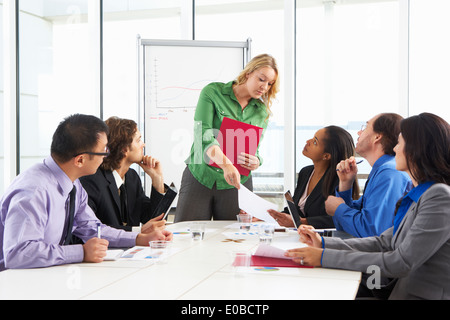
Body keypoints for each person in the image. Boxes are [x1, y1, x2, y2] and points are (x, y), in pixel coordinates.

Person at [286, 113, 450, 300]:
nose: (395, 149)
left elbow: (401, 260)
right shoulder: (420, 195)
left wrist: (323, 256)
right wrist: (323, 244)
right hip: (396, 290)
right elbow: (383, 241)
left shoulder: (439, 197)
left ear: (416, 149)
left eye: (400, 143)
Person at [0, 114, 172, 271]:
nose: (107, 155)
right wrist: (81, 252)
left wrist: (138, 239)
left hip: (44, 275)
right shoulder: (34, 191)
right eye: (104, 151)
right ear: (80, 160)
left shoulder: (73, 184)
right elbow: (18, 254)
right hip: (14, 283)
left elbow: (92, 228)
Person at [174, 54, 280, 222]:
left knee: (234, 241)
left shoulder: (261, 112)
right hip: (200, 175)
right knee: (187, 235)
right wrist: (226, 165)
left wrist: (257, 161)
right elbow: (204, 135)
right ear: (248, 73)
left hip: (237, 183)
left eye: (270, 84)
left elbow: (256, 150)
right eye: (261, 79)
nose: (264, 87)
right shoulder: (213, 92)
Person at [324, 113, 412, 237]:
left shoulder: (389, 173)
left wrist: (339, 209)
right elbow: (346, 226)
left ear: (377, 137)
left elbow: (373, 232)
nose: (359, 133)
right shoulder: (381, 170)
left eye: (365, 128)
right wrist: (345, 184)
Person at [80, 116, 168, 232]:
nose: (143, 144)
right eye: (138, 140)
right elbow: (91, 230)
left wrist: (157, 179)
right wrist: (137, 231)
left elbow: (153, 220)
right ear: (124, 149)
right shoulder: (92, 180)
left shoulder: (132, 177)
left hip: (133, 249)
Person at [268, 126, 359, 229]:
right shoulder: (306, 172)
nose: (308, 141)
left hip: (323, 239)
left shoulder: (341, 181)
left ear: (326, 156)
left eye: (315, 142)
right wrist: (269, 216)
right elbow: (296, 210)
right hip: (302, 235)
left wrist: (302, 222)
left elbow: (340, 218)